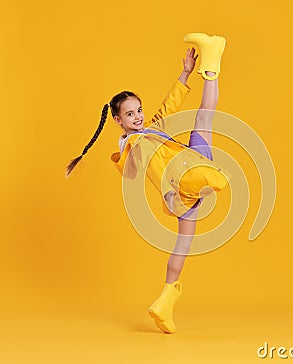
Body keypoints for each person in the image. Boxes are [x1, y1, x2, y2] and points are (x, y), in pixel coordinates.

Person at [66, 33, 227, 334]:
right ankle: (209, 178)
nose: (138, 117)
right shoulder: (134, 144)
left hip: (188, 161)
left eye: (139, 110)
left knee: (184, 243)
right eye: (130, 114)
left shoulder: (146, 131)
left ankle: (166, 302)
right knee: (206, 119)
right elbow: (141, 170)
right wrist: (166, 188)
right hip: (183, 180)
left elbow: (168, 106)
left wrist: (185, 71)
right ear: (118, 120)